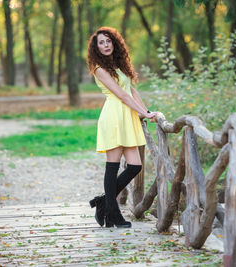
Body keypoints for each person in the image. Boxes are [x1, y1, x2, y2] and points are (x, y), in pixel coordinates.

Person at [87, 26, 157, 228]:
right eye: (101, 42)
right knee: (113, 166)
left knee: (135, 166)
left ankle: (103, 202)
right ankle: (114, 214)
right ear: (96, 47)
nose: (106, 45)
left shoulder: (118, 65)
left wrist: (146, 111)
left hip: (127, 116)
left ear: (114, 43)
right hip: (114, 117)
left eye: (108, 41)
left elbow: (132, 91)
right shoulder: (99, 69)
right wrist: (143, 113)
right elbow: (122, 95)